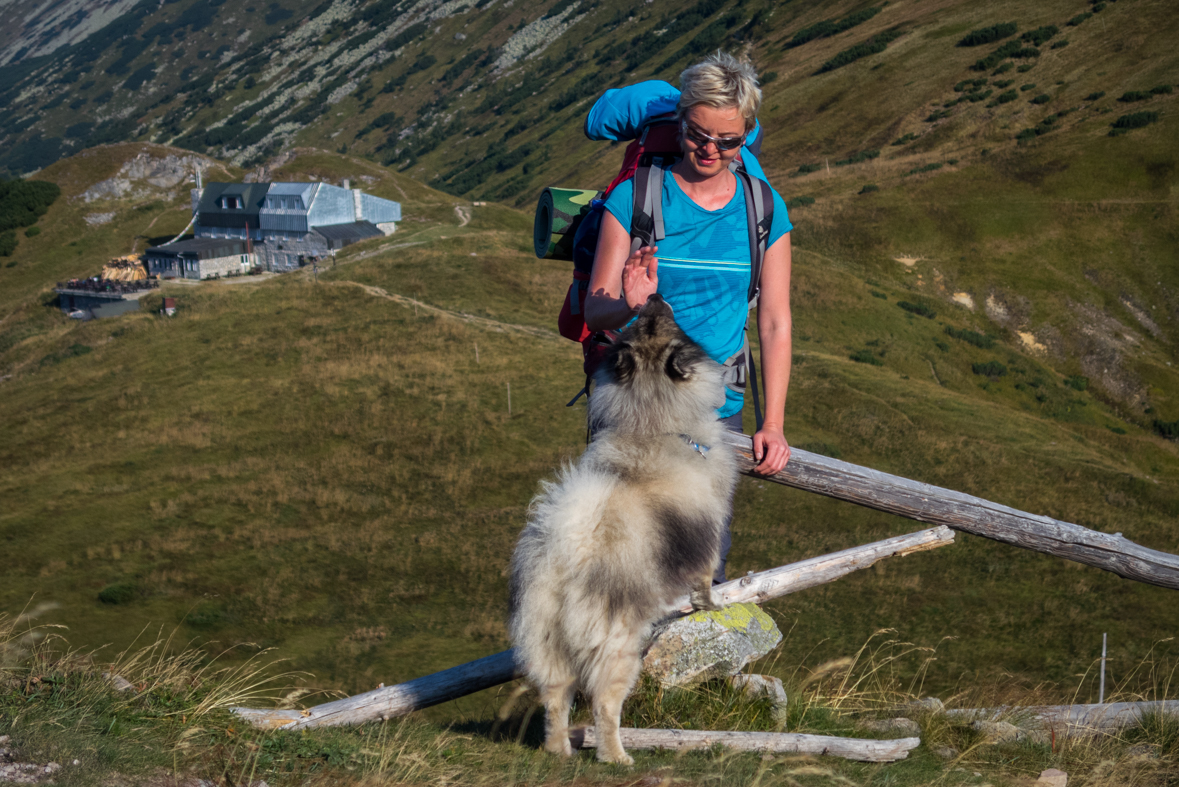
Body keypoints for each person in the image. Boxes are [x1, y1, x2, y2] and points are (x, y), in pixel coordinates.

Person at [583, 51, 793, 583]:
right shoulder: (636, 198)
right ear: (680, 123)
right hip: (634, 402)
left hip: (716, 407)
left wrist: (773, 425)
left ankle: (692, 662)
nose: (711, 150)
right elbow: (597, 307)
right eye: (699, 134)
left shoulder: (764, 209)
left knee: (701, 555)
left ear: (747, 135)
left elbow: (774, 321)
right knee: (617, 546)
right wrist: (629, 301)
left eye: (728, 141)